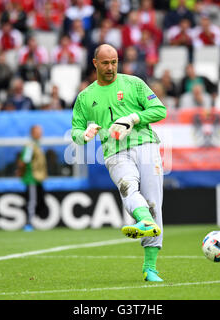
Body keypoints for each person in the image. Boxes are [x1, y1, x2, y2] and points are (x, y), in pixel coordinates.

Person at [71, 44, 166, 282]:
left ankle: (150, 268)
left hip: (147, 145)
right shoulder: (85, 97)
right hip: (115, 152)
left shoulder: (134, 84)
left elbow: (159, 110)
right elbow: (75, 130)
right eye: (105, 63)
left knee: (154, 202)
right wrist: (84, 134)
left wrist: (134, 118)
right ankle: (143, 219)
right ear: (95, 63)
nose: (111, 67)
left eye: (114, 62)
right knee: (127, 187)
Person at [17, 125, 49, 231]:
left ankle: (32, 221)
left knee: (39, 201)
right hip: (31, 178)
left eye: (41, 131)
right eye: (38, 131)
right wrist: (21, 172)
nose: (40, 133)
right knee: (32, 201)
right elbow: (24, 161)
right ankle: (28, 224)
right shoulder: (30, 146)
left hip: (38, 178)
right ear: (32, 133)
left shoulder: (37, 145)